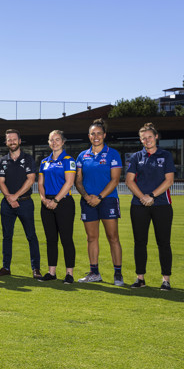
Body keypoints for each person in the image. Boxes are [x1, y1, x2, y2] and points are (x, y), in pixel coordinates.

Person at [125, 123, 175, 291]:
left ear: (156, 137)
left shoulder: (165, 155)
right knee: (140, 242)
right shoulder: (136, 157)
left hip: (162, 205)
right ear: (141, 140)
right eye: (144, 138)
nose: (147, 140)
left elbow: (169, 181)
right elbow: (129, 180)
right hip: (138, 205)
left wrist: (151, 196)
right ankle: (140, 278)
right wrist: (142, 197)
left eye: (150, 137)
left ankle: (166, 280)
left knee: (164, 243)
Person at [75, 118, 124, 286]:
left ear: (104, 135)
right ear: (89, 136)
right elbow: (78, 181)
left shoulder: (113, 154)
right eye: (93, 134)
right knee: (91, 238)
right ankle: (94, 272)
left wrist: (99, 197)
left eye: (99, 133)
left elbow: (115, 180)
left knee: (113, 237)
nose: (96, 136)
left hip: (107, 200)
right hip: (87, 201)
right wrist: (87, 197)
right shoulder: (82, 155)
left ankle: (118, 273)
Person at [0, 129, 42, 279]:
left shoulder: (28, 159)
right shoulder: (3, 160)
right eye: (9, 140)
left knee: (31, 236)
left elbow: (31, 179)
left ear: (20, 141)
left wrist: (15, 196)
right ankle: (6, 267)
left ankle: (36, 269)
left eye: (14, 139)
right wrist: (9, 198)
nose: (12, 142)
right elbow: (0, 181)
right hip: (7, 204)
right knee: (7, 236)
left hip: (25, 203)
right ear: (6, 142)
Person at [37, 130, 76, 284]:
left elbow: (69, 182)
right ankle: (51, 272)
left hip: (64, 203)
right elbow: (40, 183)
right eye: (51, 140)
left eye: (57, 139)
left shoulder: (68, 159)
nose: (54, 142)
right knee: (51, 239)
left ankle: (69, 274)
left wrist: (56, 200)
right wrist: (44, 199)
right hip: (46, 203)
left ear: (63, 141)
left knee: (66, 239)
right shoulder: (44, 161)